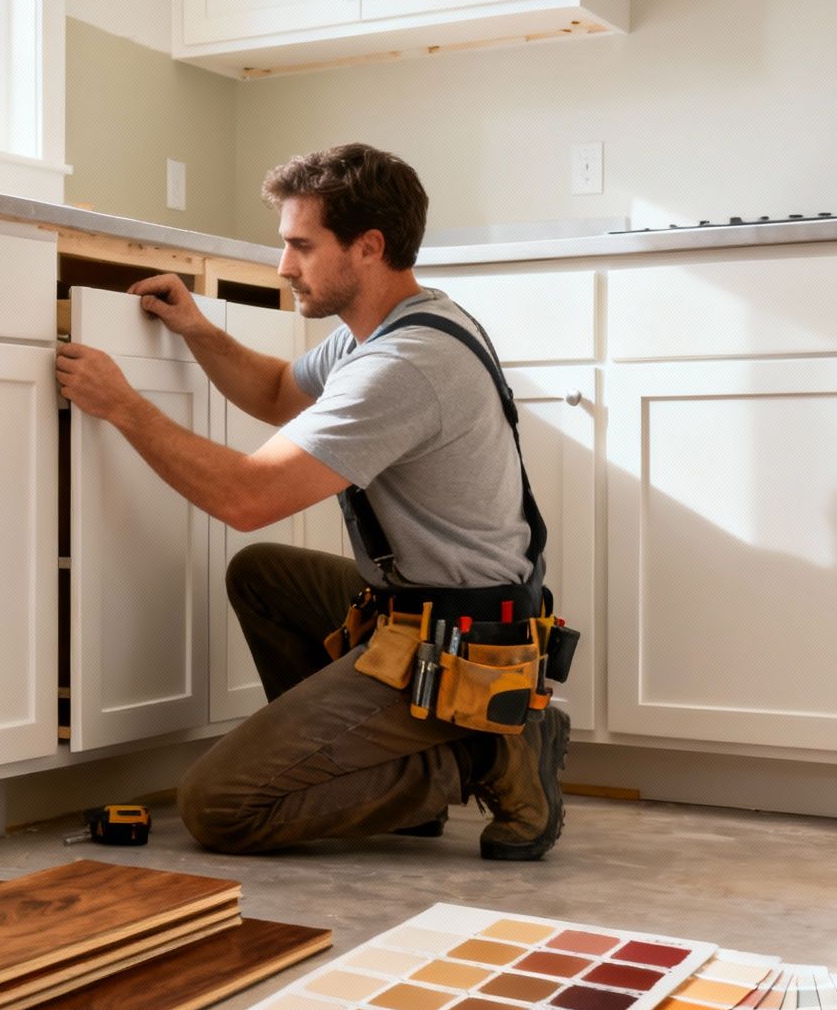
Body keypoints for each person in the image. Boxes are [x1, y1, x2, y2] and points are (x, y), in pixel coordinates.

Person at [54, 143, 572, 860]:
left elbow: (247, 496)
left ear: (368, 247)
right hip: (419, 615)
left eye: (301, 245)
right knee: (264, 576)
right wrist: (199, 328)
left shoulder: (404, 364)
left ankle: (477, 755)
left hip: (458, 644)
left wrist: (125, 407)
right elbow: (275, 392)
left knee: (219, 809)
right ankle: (391, 770)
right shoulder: (383, 330)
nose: (283, 266)